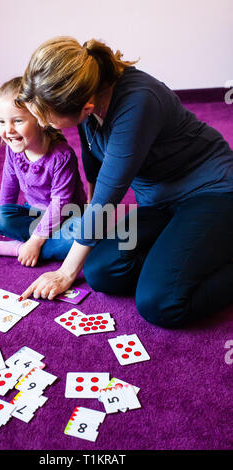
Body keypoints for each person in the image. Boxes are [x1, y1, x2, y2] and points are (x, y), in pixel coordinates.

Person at [17, 37, 233, 328]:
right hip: (158, 202)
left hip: (212, 192)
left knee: (160, 303)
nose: (42, 124)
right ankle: (192, 255)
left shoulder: (138, 102)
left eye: (48, 119)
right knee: (101, 272)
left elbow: (108, 194)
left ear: (86, 106)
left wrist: (66, 272)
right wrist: (86, 223)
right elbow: (93, 164)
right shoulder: (85, 94)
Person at [0, 76, 86, 267]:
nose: (9, 130)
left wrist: (35, 241)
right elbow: (10, 182)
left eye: (17, 120)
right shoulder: (14, 150)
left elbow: (60, 204)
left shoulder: (62, 155)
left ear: (40, 119)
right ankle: (34, 243)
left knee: (83, 236)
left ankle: (19, 248)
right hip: (35, 213)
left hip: (68, 216)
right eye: (2, 122)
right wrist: (3, 223)